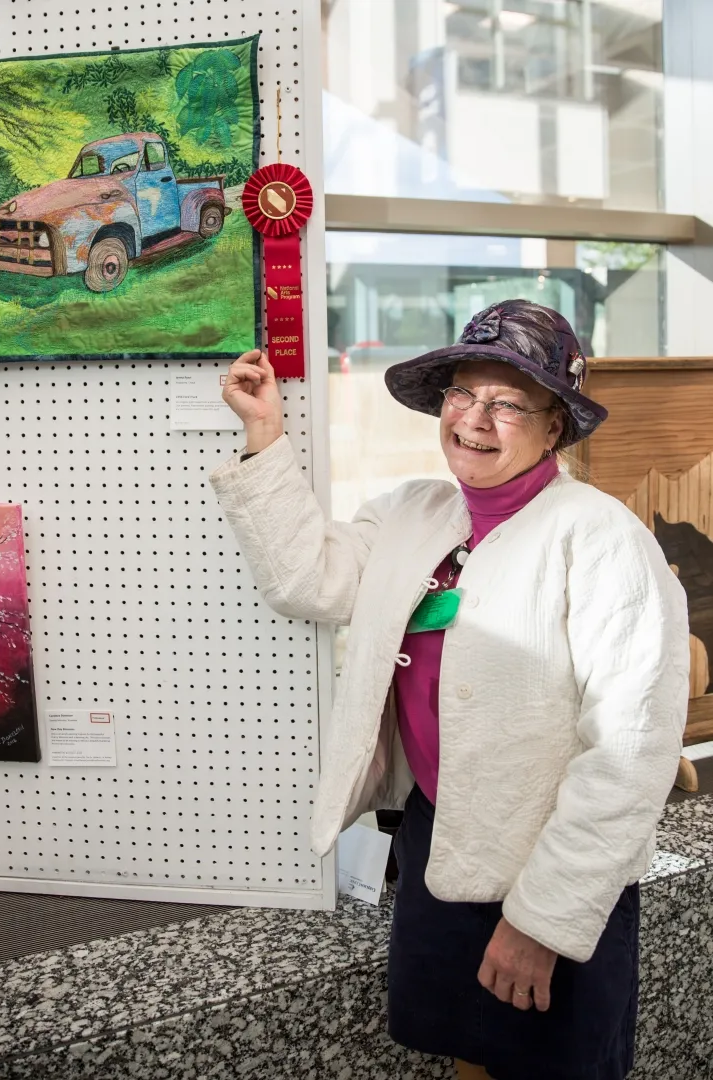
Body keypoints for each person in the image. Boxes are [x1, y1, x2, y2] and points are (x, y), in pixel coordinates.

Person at [210, 299, 689, 1080]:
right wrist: (264, 435)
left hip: (554, 864)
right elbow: (308, 580)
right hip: (439, 844)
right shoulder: (413, 513)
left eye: (507, 403)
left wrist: (539, 922)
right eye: (463, 394)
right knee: (467, 1055)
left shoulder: (601, 540)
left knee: (550, 1066)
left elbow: (628, 755)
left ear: (553, 427)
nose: (473, 419)